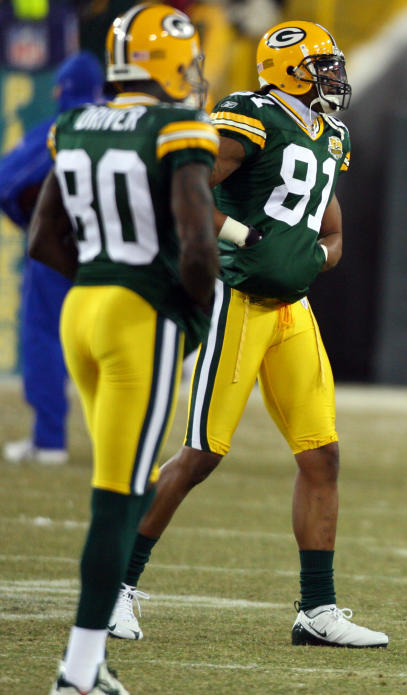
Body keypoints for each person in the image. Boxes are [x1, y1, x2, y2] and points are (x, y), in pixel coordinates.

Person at [106, 19, 389, 649]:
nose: (334, 77)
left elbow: (331, 227)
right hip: (237, 303)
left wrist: (318, 258)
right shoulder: (251, 114)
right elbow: (181, 185)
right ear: (289, 70)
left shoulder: (331, 133)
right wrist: (241, 237)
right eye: (323, 66)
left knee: (322, 454)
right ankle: (114, 588)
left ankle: (317, 610)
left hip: (293, 311)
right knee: (201, 454)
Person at [29, 4, 220, 693]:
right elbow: (198, 242)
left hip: (83, 309)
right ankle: (78, 672)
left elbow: (41, 239)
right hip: (137, 316)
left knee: (117, 485)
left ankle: (89, 667)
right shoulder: (176, 125)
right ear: (165, 60)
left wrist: (105, 281)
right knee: (120, 496)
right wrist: (192, 306)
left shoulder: (74, 122)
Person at [0, 51, 103, 465]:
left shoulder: (59, 127)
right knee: (123, 349)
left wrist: (28, 220)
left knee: (43, 336)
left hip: (58, 250)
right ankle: (125, 445)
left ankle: (49, 440)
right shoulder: (125, 124)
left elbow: (8, 183)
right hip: (120, 254)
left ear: (62, 89)